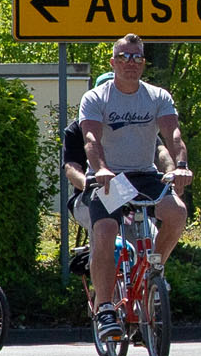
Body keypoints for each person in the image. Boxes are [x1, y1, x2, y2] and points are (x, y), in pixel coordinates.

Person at [79, 34, 193, 343]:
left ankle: (152, 275)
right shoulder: (96, 98)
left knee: (177, 213)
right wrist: (100, 169)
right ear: (113, 62)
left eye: (137, 58)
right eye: (124, 57)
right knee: (104, 230)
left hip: (144, 175)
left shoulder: (157, 96)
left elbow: (174, 135)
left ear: (143, 62)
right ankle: (104, 307)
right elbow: (90, 139)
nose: (131, 63)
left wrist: (180, 165)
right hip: (112, 177)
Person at [63, 72, 173, 235]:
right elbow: (71, 167)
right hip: (93, 192)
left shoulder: (134, 125)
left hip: (132, 188)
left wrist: (171, 173)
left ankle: (154, 260)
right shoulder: (77, 129)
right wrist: (89, 184)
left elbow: (161, 151)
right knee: (106, 231)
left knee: (150, 232)